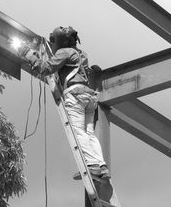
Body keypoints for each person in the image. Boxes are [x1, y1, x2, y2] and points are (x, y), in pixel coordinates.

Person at [18, 26, 110, 179]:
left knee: (78, 132)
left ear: (59, 41)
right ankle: (101, 166)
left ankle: (92, 166)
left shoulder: (64, 52)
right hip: (89, 97)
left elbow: (45, 68)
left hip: (75, 97)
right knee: (89, 133)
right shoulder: (81, 54)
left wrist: (29, 55)